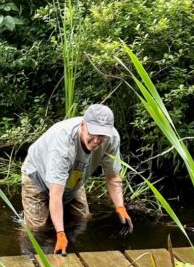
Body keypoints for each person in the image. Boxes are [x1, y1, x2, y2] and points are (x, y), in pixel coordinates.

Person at [20, 103, 133, 253]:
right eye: (94, 133)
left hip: (74, 177)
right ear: (83, 125)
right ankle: (28, 255)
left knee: (82, 218)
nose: (97, 140)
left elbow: (112, 177)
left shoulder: (111, 139)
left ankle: (70, 248)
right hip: (37, 175)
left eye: (102, 135)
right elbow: (56, 193)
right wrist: (60, 234)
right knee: (37, 229)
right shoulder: (63, 142)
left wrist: (120, 206)